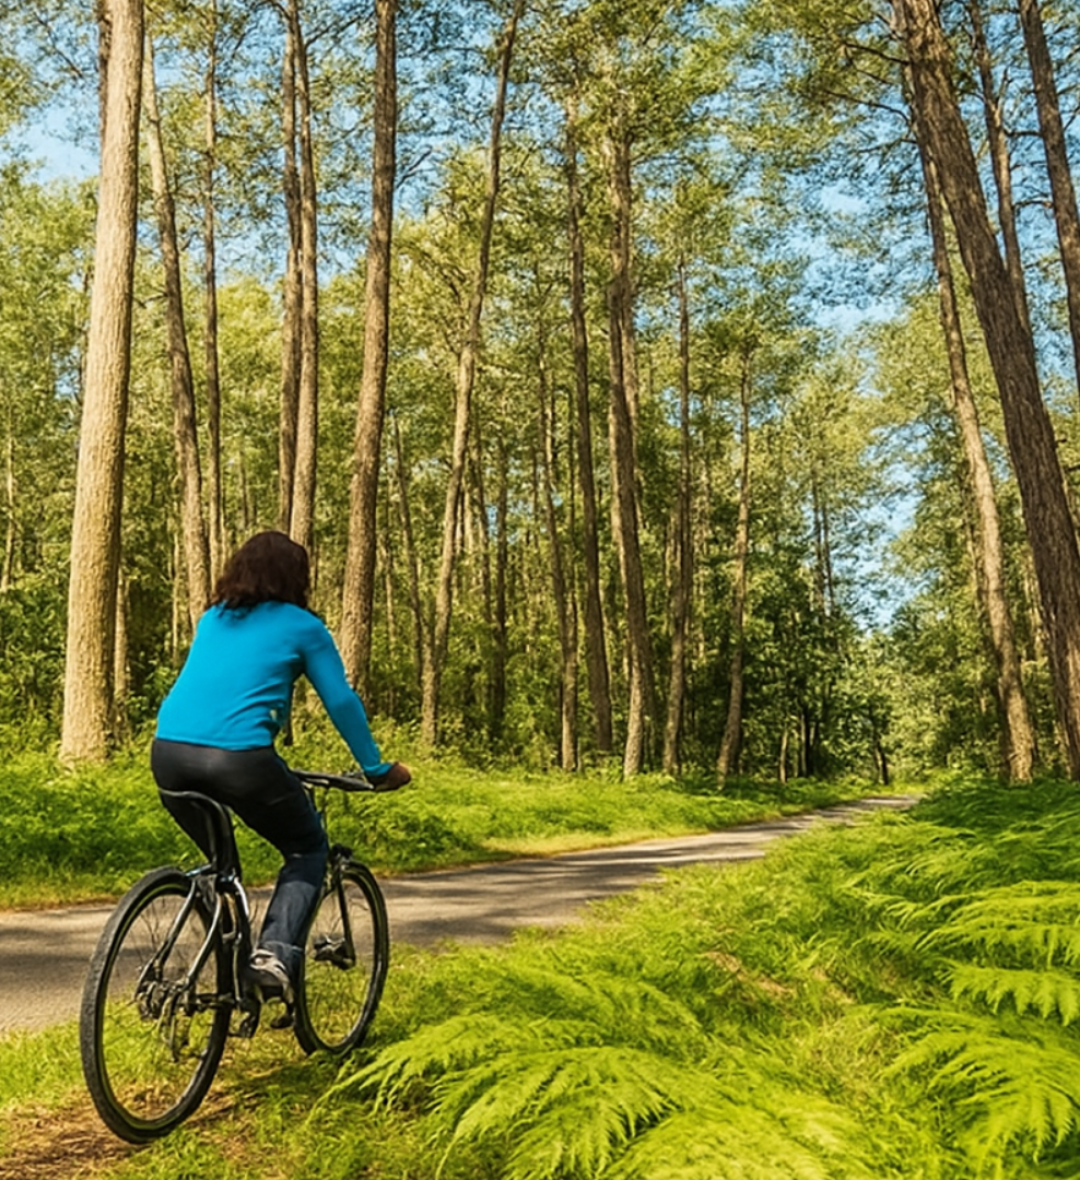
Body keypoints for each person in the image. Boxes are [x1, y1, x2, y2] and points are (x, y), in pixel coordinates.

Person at [151, 529, 410, 1003]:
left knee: (220, 867)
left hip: (168, 755)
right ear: (297, 578)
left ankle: (226, 965)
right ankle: (272, 955)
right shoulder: (304, 627)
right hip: (242, 760)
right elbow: (342, 701)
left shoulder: (213, 617)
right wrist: (375, 767)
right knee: (307, 848)